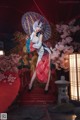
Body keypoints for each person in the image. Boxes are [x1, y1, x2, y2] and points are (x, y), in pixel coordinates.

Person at [26, 20, 51, 91]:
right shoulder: (32, 34)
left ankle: (47, 86)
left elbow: (39, 45)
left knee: (48, 68)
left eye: (40, 27)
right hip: (40, 52)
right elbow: (29, 42)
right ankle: (30, 84)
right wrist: (30, 44)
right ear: (35, 26)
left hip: (45, 52)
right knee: (37, 69)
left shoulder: (41, 34)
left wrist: (32, 45)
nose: (39, 28)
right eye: (38, 26)